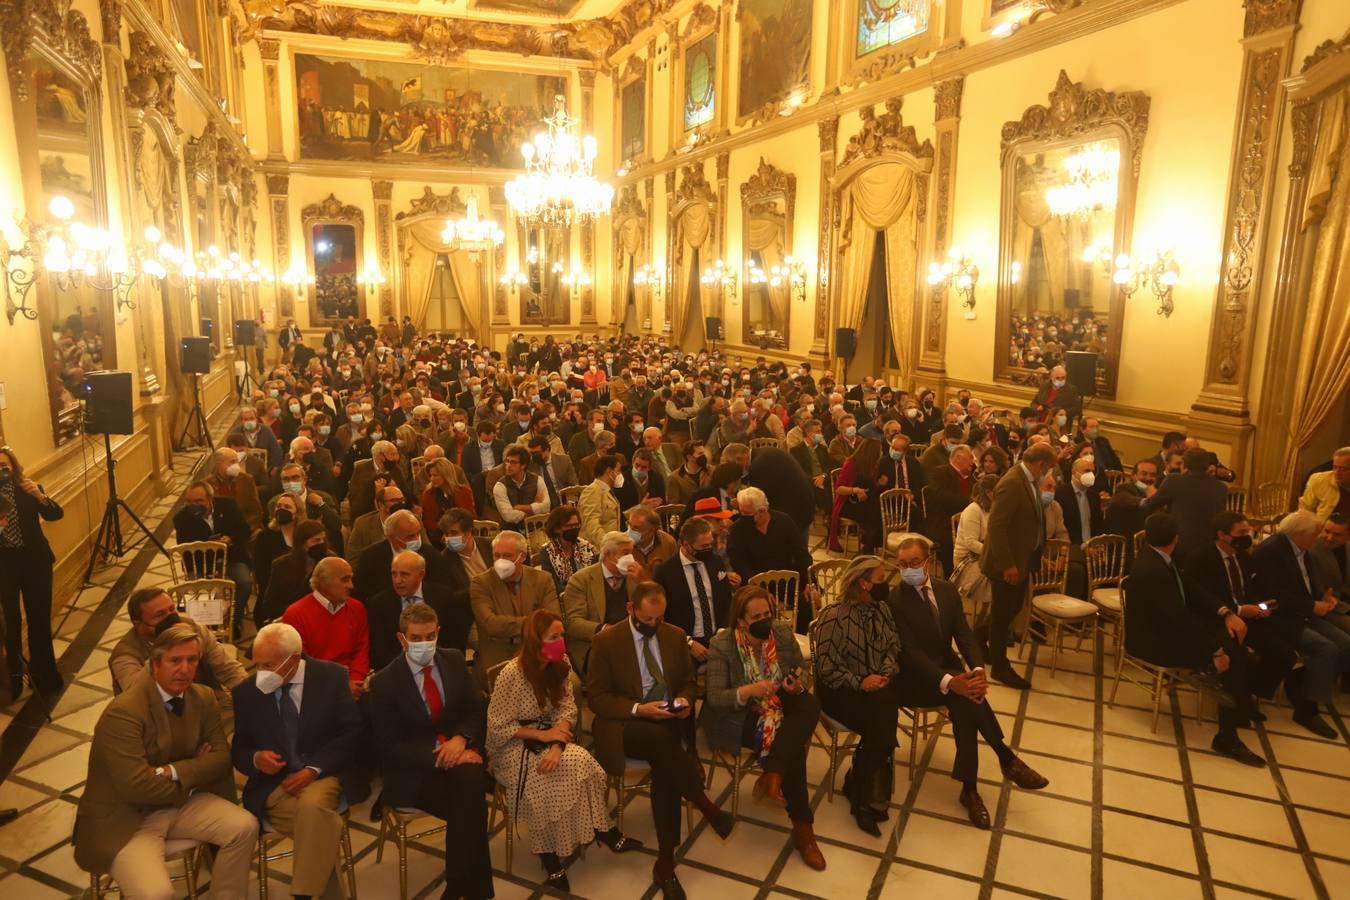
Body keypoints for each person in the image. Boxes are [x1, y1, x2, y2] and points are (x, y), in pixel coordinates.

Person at [74, 625, 258, 896]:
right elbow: (135, 787)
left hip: (179, 804)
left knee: (244, 827)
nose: (185, 669)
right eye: (175, 660)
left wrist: (169, 771)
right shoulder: (123, 712)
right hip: (127, 818)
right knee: (157, 894)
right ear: (155, 664)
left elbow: (220, 759)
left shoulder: (204, 697)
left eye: (192, 660)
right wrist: (193, 773)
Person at [887, 537, 1048, 828]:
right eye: (902, 564)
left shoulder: (947, 590)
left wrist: (976, 669)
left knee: (966, 701)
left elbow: (964, 634)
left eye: (913, 563)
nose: (907, 569)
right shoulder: (896, 599)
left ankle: (971, 789)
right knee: (965, 697)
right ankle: (1005, 759)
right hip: (914, 679)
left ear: (927, 561)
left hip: (946, 667)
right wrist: (951, 681)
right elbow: (910, 654)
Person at [586, 581, 733, 899]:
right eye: (647, 619)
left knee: (665, 762)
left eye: (659, 619)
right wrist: (640, 708)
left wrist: (684, 701)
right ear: (631, 609)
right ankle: (706, 807)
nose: (654, 625)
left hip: (667, 722)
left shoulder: (674, 635)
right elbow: (596, 698)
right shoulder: (607, 641)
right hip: (625, 724)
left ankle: (665, 862)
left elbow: (687, 682)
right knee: (662, 743)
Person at [486, 609, 640, 891]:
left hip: (551, 735)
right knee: (541, 779)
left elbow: (567, 708)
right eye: (553, 637)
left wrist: (556, 744)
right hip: (513, 743)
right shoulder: (512, 674)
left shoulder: (561, 664)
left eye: (562, 636)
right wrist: (544, 736)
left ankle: (604, 829)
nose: (561, 643)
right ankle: (548, 854)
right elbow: (498, 727)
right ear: (535, 642)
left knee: (580, 760)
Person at [231, 622, 367, 899]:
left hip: (322, 774)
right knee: (319, 824)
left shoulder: (331, 677)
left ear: (293, 660)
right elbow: (239, 749)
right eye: (256, 665)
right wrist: (256, 759)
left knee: (312, 807)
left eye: (268, 666)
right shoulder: (246, 692)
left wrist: (313, 770)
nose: (261, 674)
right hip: (275, 786)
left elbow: (351, 732)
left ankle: (303, 894)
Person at [368, 602, 493, 900]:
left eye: (429, 636)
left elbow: (476, 707)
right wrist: (443, 754)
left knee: (470, 788)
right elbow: (388, 745)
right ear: (402, 639)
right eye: (415, 638)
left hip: (458, 753)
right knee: (471, 802)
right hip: (415, 772)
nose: (423, 644)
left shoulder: (452, 660)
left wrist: (461, 740)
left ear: (438, 633)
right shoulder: (385, 682)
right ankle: (472, 890)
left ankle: (458, 888)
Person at [1126, 514, 1266, 764]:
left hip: (1168, 627)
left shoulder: (1161, 557)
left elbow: (1190, 586)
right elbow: (1179, 617)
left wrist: (1225, 611)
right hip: (1154, 640)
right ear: (1176, 539)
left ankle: (1231, 701)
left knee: (1231, 642)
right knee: (1230, 655)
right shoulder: (1152, 570)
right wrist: (1216, 652)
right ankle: (1227, 733)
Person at [702, 585, 824, 869]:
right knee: (790, 741)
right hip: (742, 711)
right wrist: (748, 690)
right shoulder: (722, 644)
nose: (764, 620)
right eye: (756, 616)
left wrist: (796, 683)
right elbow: (715, 697)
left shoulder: (780, 632)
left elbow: (800, 668)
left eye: (767, 613)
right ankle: (804, 830)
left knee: (809, 705)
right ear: (741, 620)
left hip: (778, 696)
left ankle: (773, 772)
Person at [811, 555, 900, 835]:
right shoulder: (833, 616)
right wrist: (861, 681)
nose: (886, 585)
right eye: (880, 580)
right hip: (840, 691)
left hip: (875, 688)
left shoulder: (881, 609)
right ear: (863, 583)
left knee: (884, 708)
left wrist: (884, 673)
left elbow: (893, 647)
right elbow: (825, 668)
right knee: (883, 723)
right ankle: (864, 794)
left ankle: (859, 792)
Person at [1251, 511, 1350, 739]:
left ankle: (1301, 681)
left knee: (1345, 644)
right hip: (1279, 618)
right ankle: (1307, 709)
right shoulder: (1271, 552)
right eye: (1316, 533)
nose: (1319, 538)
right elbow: (1272, 594)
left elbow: (1305, 584)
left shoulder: (1301, 550)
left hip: (1303, 612)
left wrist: (1322, 598)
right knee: (1326, 648)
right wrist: (1311, 606)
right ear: (1299, 534)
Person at [1186, 512, 1299, 711]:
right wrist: (1236, 610)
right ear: (1222, 535)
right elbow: (1202, 598)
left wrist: (1260, 606)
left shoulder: (1243, 557)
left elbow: (1250, 589)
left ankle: (1249, 692)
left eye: (1247, 531)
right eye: (1241, 532)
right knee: (1239, 657)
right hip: (1216, 619)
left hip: (1248, 618)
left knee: (1285, 654)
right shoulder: (1202, 558)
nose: (1247, 536)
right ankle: (1234, 705)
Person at [980, 443, 1057, 690]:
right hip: (1008, 563)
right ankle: (1001, 668)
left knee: (1011, 608)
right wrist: (1008, 564)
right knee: (1003, 614)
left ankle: (976, 638)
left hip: (1023, 559)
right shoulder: (1013, 483)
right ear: (1041, 464)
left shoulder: (1030, 481)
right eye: (1050, 468)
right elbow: (997, 526)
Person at [0, 445, 64, 695]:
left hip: (35, 562)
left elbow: (55, 515)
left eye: (5, 465)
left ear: (14, 466)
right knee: (11, 622)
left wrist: (40, 496)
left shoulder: (27, 488)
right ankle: (14, 680)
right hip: (4, 566)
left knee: (39, 618)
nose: (2, 470)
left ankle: (45, 673)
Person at [109, 588, 247, 695]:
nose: (171, 618)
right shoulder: (124, 655)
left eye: (171, 609)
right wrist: (166, 645)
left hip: (206, 701)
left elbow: (228, 669)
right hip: (157, 716)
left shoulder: (193, 628)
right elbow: (136, 694)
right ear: (138, 624)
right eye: (160, 614)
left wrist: (252, 693)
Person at [469, 530, 561, 684]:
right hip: (498, 651)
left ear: (522, 556)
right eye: (496, 555)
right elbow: (490, 624)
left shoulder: (543, 579)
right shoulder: (480, 583)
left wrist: (510, 624)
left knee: (572, 683)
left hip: (537, 647)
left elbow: (552, 620)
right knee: (512, 688)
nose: (500, 561)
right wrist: (533, 622)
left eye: (507, 556)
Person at [728, 487, 817, 632]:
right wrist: (759, 591)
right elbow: (739, 564)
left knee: (808, 604)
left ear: (762, 510)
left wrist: (810, 583)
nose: (742, 516)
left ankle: (796, 640)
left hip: (787, 583)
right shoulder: (738, 530)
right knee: (761, 612)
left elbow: (802, 555)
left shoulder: (784, 521)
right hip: (756, 585)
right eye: (741, 512)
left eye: (747, 513)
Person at [173, 480, 253, 640]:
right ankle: (205, 628)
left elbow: (244, 530)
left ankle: (233, 622)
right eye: (189, 501)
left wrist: (230, 539)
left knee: (244, 582)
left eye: (199, 501)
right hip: (201, 565)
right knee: (200, 590)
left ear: (210, 499)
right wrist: (209, 569)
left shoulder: (228, 506)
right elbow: (186, 552)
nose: (193, 505)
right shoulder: (181, 519)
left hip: (232, 558)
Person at [281, 557, 369, 700]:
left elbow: (361, 650)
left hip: (354, 685)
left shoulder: (357, 608)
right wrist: (342, 687)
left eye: (351, 579)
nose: (351, 585)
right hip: (315, 689)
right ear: (324, 582)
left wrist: (355, 680)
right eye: (345, 579)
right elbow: (301, 665)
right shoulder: (295, 614)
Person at [369, 550, 469, 670]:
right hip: (398, 670)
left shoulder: (444, 596)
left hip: (439, 666)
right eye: (394, 574)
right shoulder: (379, 604)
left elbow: (454, 641)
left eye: (404, 574)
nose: (397, 580)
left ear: (421, 574)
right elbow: (379, 652)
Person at [561, 530, 641, 671]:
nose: (631, 558)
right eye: (625, 553)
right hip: (596, 644)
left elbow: (649, 610)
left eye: (631, 553)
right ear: (609, 554)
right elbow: (573, 623)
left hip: (633, 640)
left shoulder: (634, 577)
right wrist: (606, 630)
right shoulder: (581, 580)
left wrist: (643, 581)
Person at [655, 517, 732, 661]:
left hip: (719, 638)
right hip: (683, 644)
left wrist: (722, 633)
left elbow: (726, 599)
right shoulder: (665, 572)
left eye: (710, 545)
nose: (709, 550)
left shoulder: (715, 561)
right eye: (703, 547)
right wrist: (688, 642)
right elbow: (661, 617)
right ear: (686, 545)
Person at [1144, 447, 1229, 562]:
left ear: (1184, 464)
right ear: (1207, 466)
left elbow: (1151, 505)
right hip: (1210, 548)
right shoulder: (1221, 487)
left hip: (1179, 546)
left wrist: (1150, 493)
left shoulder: (1174, 480)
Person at [354, 508, 449, 603]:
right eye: (410, 536)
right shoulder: (370, 558)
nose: (417, 539)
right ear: (391, 537)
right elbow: (362, 595)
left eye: (418, 534)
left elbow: (441, 590)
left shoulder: (431, 555)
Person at [257, 520, 330, 627]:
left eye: (323, 540)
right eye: (316, 540)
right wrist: (298, 613)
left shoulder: (329, 562)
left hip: (321, 621)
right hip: (289, 620)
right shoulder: (281, 565)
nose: (321, 544)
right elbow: (270, 604)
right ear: (302, 544)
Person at [951, 475, 1000, 622]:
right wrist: (994, 553)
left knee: (1007, 572)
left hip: (984, 555)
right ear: (988, 492)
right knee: (998, 576)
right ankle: (988, 621)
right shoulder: (973, 510)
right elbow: (971, 543)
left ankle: (993, 619)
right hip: (966, 559)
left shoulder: (993, 509)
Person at [922, 443, 977, 572]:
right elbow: (942, 497)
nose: (973, 461)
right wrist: (970, 503)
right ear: (958, 458)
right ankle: (953, 577)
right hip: (943, 523)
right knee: (952, 542)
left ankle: (972, 576)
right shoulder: (940, 473)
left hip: (965, 522)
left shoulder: (970, 478)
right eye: (970, 457)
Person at [829, 438, 885, 553]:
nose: (881, 453)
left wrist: (879, 483)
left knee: (878, 510)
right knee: (875, 514)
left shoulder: (872, 465)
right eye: (880, 451)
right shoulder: (852, 464)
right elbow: (839, 488)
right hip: (849, 503)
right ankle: (867, 548)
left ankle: (868, 547)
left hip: (865, 502)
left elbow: (870, 488)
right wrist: (856, 490)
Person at [205, 446, 263, 532]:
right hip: (218, 531)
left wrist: (243, 531)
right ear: (218, 464)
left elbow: (256, 512)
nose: (236, 465)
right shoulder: (206, 484)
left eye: (237, 461)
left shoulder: (247, 480)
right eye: (232, 462)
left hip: (244, 528)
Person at [346, 483, 409, 563]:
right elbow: (353, 559)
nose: (400, 504)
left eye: (402, 500)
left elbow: (425, 551)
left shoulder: (413, 520)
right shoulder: (362, 524)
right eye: (395, 501)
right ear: (381, 505)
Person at [492, 445, 550, 531]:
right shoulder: (500, 486)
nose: (508, 465)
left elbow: (546, 507)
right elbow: (508, 515)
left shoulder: (538, 480)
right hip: (510, 532)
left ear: (523, 465)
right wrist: (533, 512)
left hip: (535, 529)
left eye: (513, 462)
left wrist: (520, 507)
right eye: (507, 461)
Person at [422, 457, 474, 547]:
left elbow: (469, 517)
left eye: (435, 475)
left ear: (446, 475)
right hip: (438, 537)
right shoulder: (428, 494)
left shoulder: (464, 492)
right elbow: (428, 522)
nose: (431, 479)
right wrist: (447, 533)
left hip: (462, 534)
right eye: (430, 475)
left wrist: (452, 533)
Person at [579, 453, 624, 548]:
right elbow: (591, 523)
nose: (620, 475)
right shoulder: (592, 490)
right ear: (609, 471)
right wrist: (607, 544)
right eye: (618, 471)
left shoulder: (607, 491)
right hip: (598, 548)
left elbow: (613, 516)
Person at [1299, 446, 1350, 518]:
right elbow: (1305, 510)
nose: (1337, 473)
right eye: (1335, 467)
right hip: (1321, 527)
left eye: (1343, 469)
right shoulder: (1319, 479)